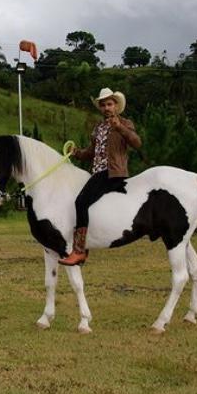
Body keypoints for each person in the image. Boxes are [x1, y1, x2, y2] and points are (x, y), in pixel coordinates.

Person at [58, 87, 142, 266]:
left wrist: (120, 128)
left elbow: (137, 142)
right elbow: (92, 152)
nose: (106, 108)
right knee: (84, 202)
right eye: (103, 105)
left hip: (113, 173)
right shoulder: (98, 127)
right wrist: (77, 153)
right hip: (97, 173)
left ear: (116, 105)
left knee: (80, 202)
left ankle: (79, 250)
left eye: (109, 104)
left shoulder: (125, 123)